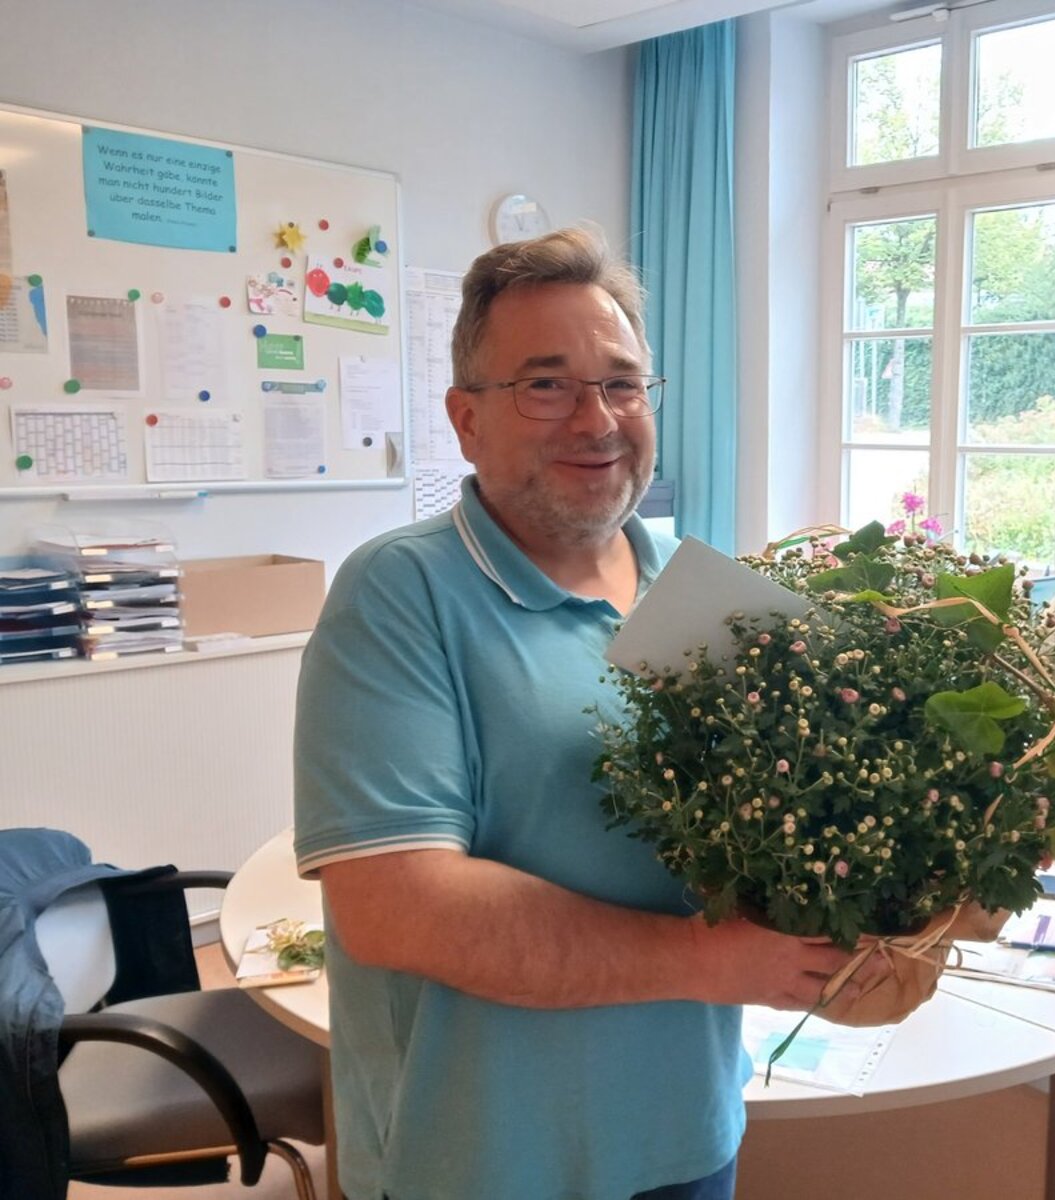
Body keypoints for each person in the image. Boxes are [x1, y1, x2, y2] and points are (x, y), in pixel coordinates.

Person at [293, 228, 866, 1200]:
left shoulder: (700, 592)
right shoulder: (398, 594)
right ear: (466, 419)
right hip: (480, 1166)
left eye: (623, 384)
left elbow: (771, 842)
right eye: (546, 385)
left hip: (688, 1140)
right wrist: (705, 961)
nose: (596, 420)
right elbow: (399, 909)